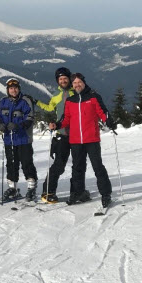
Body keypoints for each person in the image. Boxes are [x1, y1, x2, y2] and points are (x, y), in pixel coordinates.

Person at [58, 73, 116, 207]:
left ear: (84, 83)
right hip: (76, 140)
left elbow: (103, 112)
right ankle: (79, 192)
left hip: (92, 139)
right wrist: (57, 124)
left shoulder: (93, 97)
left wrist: (109, 121)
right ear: (72, 86)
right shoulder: (70, 101)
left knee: (97, 167)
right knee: (77, 168)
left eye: (79, 82)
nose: (77, 85)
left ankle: (105, 194)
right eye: (74, 83)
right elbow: (66, 119)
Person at [0, 78, 38, 202]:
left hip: (23, 138)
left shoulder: (25, 101)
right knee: (11, 164)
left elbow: (30, 117)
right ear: (8, 90)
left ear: (19, 89)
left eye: (15, 88)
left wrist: (18, 126)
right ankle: (12, 188)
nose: (13, 90)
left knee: (26, 163)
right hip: (9, 139)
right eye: (11, 88)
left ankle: (31, 187)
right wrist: (0, 124)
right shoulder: (3, 101)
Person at [40, 67, 74, 203]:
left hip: (77, 135)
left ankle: (77, 191)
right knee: (59, 165)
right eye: (60, 79)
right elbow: (50, 107)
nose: (63, 80)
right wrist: (37, 103)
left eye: (65, 78)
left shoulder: (76, 92)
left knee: (78, 165)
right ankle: (48, 191)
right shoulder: (56, 95)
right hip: (62, 134)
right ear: (57, 81)